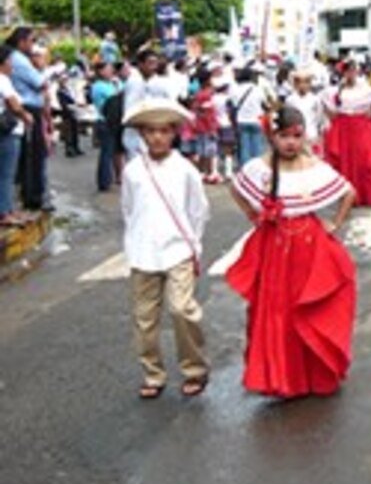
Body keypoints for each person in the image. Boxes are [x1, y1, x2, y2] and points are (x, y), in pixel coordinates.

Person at [226, 106, 357, 398]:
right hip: (274, 248)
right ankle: (283, 376)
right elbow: (236, 188)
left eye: (296, 136)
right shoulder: (259, 168)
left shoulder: (314, 167)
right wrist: (252, 214)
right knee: (277, 311)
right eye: (283, 136)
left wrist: (335, 223)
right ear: (272, 136)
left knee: (308, 307)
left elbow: (349, 192)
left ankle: (312, 372)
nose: (290, 143)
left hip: (309, 247)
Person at [120, 98, 210, 399]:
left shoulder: (186, 170)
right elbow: (128, 211)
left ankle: (194, 368)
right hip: (143, 252)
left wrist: (193, 245)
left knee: (181, 308)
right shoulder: (132, 171)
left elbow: (198, 210)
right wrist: (133, 244)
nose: (157, 137)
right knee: (144, 318)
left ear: (174, 133)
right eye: (151, 131)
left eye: (164, 131)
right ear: (142, 135)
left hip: (178, 250)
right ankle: (153, 373)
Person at [322, 59, 371, 207]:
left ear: (357, 71)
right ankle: (348, 195)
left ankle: (367, 194)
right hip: (343, 128)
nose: (350, 74)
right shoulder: (335, 90)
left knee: (365, 159)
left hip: (361, 126)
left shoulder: (365, 89)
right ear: (343, 72)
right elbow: (325, 103)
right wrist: (332, 116)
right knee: (345, 160)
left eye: (353, 70)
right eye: (347, 71)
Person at [5, 27, 48, 211]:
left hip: (29, 108)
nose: (33, 45)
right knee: (32, 156)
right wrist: (43, 68)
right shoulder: (20, 60)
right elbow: (40, 83)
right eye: (31, 41)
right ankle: (32, 196)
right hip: (27, 108)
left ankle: (31, 193)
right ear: (21, 41)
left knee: (30, 155)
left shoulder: (19, 59)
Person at [0, 45, 34, 227]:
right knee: (6, 173)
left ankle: (8, 208)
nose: (12, 65)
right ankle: (5, 212)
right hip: (8, 131)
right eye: (9, 61)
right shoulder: (3, 80)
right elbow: (13, 103)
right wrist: (25, 116)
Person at [122, 49, 169, 158]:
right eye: (150, 63)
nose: (153, 67)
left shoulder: (155, 81)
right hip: (136, 133)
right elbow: (130, 111)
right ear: (140, 64)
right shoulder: (135, 82)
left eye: (155, 63)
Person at [91, 63, 122, 192]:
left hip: (112, 121)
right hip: (104, 120)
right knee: (106, 152)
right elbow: (115, 96)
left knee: (111, 151)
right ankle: (103, 181)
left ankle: (107, 178)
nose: (111, 72)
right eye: (108, 69)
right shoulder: (99, 86)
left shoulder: (111, 84)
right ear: (101, 71)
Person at [230, 65, 269, 166]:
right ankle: (258, 168)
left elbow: (234, 105)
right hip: (256, 120)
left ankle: (246, 170)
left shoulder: (236, 89)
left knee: (244, 148)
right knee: (257, 148)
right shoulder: (257, 89)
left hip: (241, 120)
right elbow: (265, 103)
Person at [284, 67, 324, 155]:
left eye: (306, 82)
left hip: (311, 134)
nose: (303, 85)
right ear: (295, 84)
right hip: (295, 134)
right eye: (299, 82)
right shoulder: (290, 99)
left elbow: (319, 117)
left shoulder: (315, 99)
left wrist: (318, 134)